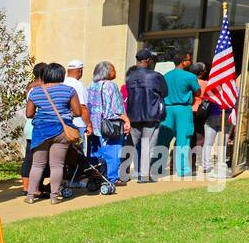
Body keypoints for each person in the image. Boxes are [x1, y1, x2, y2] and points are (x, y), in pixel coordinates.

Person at [24, 62, 82, 206]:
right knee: (57, 165)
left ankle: (30, 195)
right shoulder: (69, 90)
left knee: (37, 165)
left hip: (41, 131)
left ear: (46, 75)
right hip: (62, 131)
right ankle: (54, 197)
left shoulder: (35, 92)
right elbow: (78, 112)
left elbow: (29, 114)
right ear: (61, 75)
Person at [85, 61, 129, 195]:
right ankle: (112, 178)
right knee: (113, 150)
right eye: (113, 69)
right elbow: (117, 107)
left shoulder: (90, 86)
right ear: (107, 72)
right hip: (110, 125)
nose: (115, 72)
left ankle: (97, 176)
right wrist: (126, 120)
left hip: (94, 124)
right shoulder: (111, 86)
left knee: (96, 151)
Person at [125, 49, 169, 184]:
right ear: (147, 61)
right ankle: (144, 176)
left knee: (130, 145)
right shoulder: (156, 76)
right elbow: (165, 92)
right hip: (151, 114)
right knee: (147, 145)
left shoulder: (130, 76)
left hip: (133, 115)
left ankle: (122, 174)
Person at [160, 51, 201, 178]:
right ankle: (183, 169)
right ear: (183, 62)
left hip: (167, 109)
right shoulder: (189, 76)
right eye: (189, 60)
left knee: (163, 139)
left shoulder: (165, 76)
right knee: (183, 138)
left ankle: (157, 167)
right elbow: (198, 92)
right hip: (183, 109)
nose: (190, 62)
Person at [19, 63, 48, 199]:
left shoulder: (30, 86)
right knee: (36, 159)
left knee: (30, 158)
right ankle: (32, 187)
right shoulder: (39, 88)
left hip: (30, 126)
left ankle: (28, 186)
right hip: (36, 126)